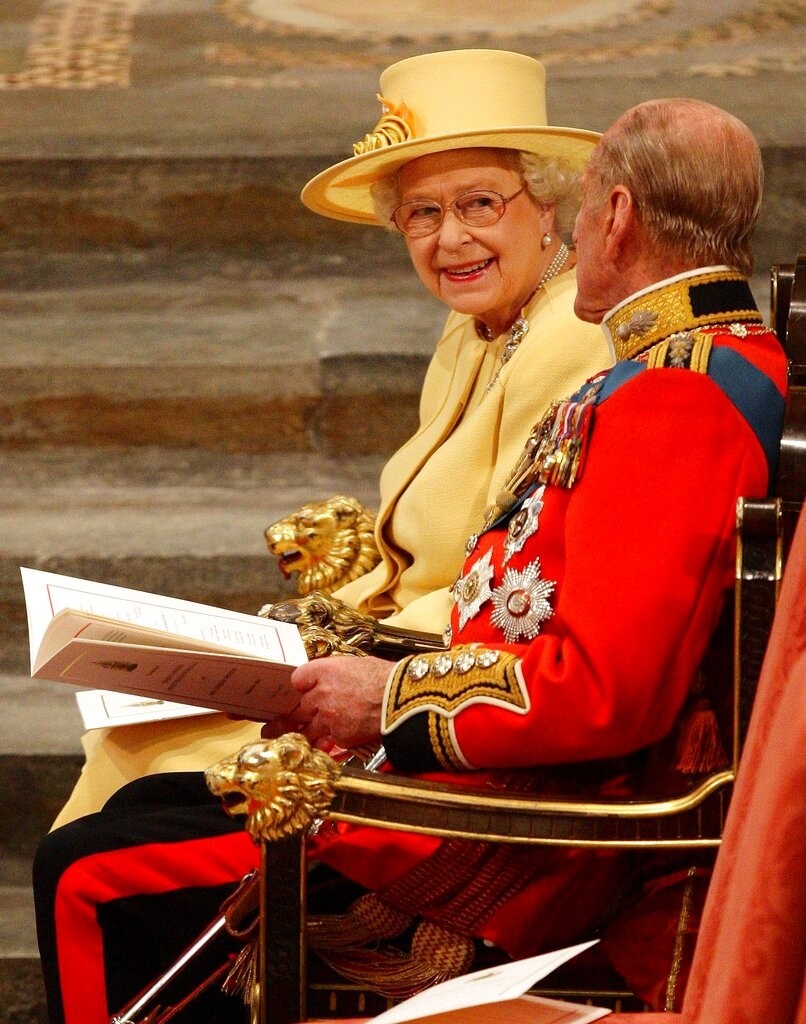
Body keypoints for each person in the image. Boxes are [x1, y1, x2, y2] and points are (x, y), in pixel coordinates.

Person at [33, 97, 788, 1024]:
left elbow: (603, 692)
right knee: (141, 805)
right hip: (505, 775)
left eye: (583, 208)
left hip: (530, 843)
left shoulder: (674, 398)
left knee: (89, 875)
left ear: (615, 216)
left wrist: (387, 699)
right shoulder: (696, 362)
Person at [52, 47, 610, 828]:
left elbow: (506, 578)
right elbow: (402, 557)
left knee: (142, 758)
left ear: (546, 207)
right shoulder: (470, 330)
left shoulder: (572, 340)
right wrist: (259, 641)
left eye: (479, 203)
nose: (450, 239)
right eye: (422, 213)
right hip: (385, 637)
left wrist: (321, 653)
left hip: (440, 678)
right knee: (127, 729)